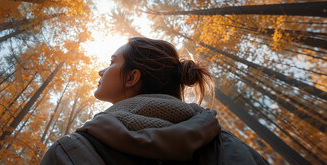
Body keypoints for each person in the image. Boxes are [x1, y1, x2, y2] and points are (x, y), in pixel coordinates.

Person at [40, 37, 269, 165]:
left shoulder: (70, 150)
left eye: (111, 62)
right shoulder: (225, 145)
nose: (101, 71)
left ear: (131, 77)